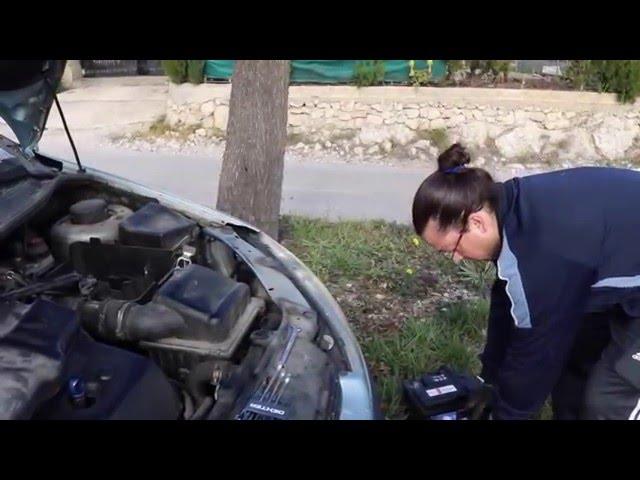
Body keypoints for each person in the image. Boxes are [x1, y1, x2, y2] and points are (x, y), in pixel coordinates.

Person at [411, 143, 640, 420]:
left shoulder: (541, 254)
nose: (457, 258)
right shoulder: (509, 209)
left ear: (477, 223)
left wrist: (506, 414)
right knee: (575, 365)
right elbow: (508, 304)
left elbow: (536, 355)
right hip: (619, 270)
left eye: (453, 248)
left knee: (608, 400)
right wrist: (490, 381)